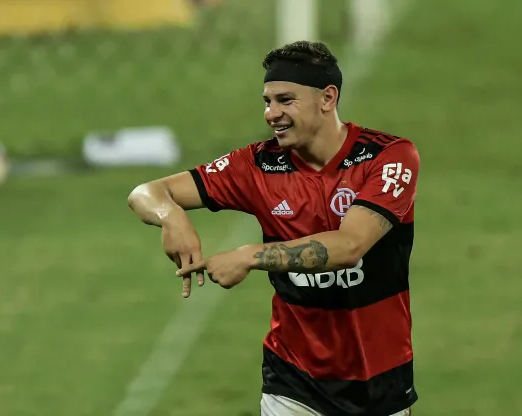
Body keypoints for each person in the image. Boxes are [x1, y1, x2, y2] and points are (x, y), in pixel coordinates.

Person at [128, 40, 420, 416]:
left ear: (327, 99)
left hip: (383, 380)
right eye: (267, 101)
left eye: (285, 100)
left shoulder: (388, 157)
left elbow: (351, 246)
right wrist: (172, 217)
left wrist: (250, 256)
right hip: (294, 384)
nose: (271, 113)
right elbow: (145, 192)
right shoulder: (257, 166)